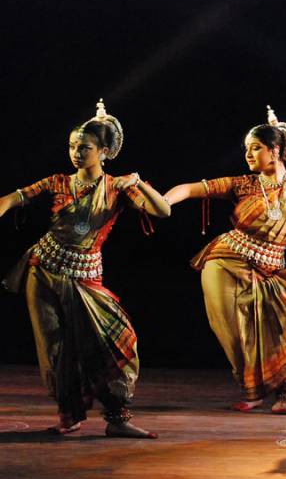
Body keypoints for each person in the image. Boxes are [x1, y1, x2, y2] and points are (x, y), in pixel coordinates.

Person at [0, 99, 170, 438]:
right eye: (72, 146)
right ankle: (70, 414)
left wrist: (139, 184)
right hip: (42, 269)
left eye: (85, 147)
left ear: (104, 151)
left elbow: (162, 211)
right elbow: (12, 198)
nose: (77, 152)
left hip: (86, 277)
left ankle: (118, 418)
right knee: (55, 348)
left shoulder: (118, 188)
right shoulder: (58, 182)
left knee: (118, 340)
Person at [164, 106, 286, 416]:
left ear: (276, 150)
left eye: (256, 148)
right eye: (247, 149)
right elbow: (191, 188)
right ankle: (251, 391)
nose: (249, 154)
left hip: (273, 270)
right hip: (225, 262)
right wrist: (164, 201)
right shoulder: (243, 184)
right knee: (235, 332)